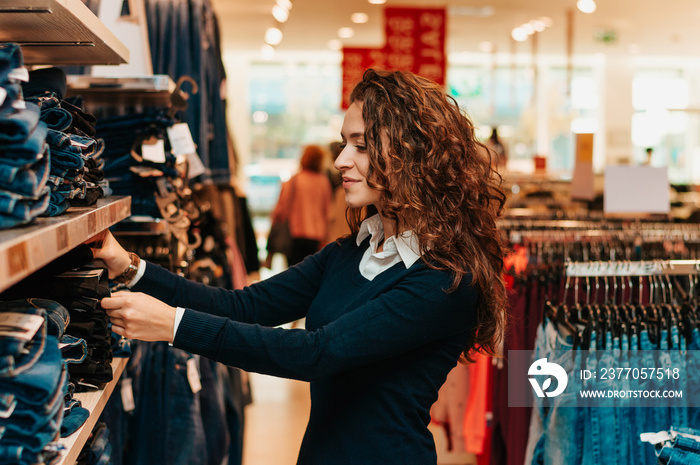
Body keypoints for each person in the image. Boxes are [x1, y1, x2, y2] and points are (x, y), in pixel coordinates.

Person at [88, 68, 508, 465]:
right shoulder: (351, 251)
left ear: (409, 154)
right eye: (344, 143)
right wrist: (128, 266)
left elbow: (318, 353)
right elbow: (243, 306)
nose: (342, 160)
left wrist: (174, 325)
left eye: (361, 146)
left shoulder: (445, 280)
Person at [264, 144, 332, 267]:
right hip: (316, 237)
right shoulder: (323, 182)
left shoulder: (295, 180)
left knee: (294, 274)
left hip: (295, 234)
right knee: (311, 275)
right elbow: (327, 211)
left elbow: (281, 209)